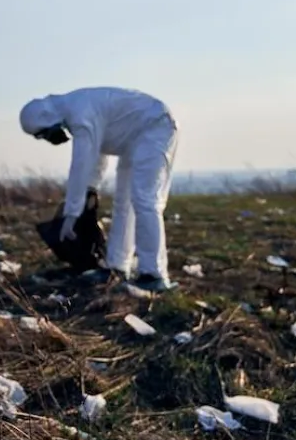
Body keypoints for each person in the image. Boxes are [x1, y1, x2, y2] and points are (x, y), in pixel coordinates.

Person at [19, 86, 179, 292]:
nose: (47, 138)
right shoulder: (75, 110)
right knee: (124, 202)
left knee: (145, 200)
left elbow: (81, 163)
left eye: (42, 134)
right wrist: (90, 189)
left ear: (45, 119)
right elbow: (97, 156)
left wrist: (72, 213)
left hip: (156, 126)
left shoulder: (79, 113)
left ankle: (154, 275)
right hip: (137, 135)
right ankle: (117, 267)